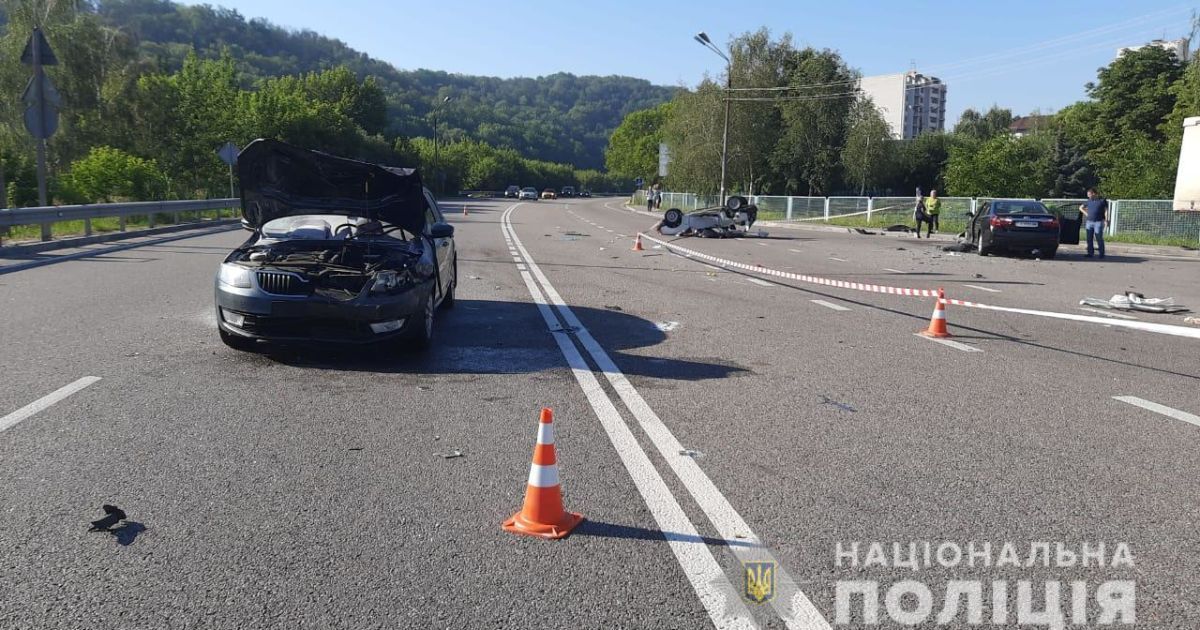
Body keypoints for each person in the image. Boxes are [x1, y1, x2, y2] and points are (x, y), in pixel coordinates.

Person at [1079, 188, 1107, 258]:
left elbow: (1106, 211)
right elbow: (1080, 207)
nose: (1088, 196)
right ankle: (1090, 253)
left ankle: (1101, 253)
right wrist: (1086, 214)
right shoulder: (1088, 201)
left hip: (1098, 222)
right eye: (1088, 195)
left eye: (1089, 194)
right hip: (1089, 222)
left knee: (1099, 238)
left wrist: (1107, 220)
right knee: (1089, 238)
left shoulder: (1102, 201)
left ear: (1094, 193)